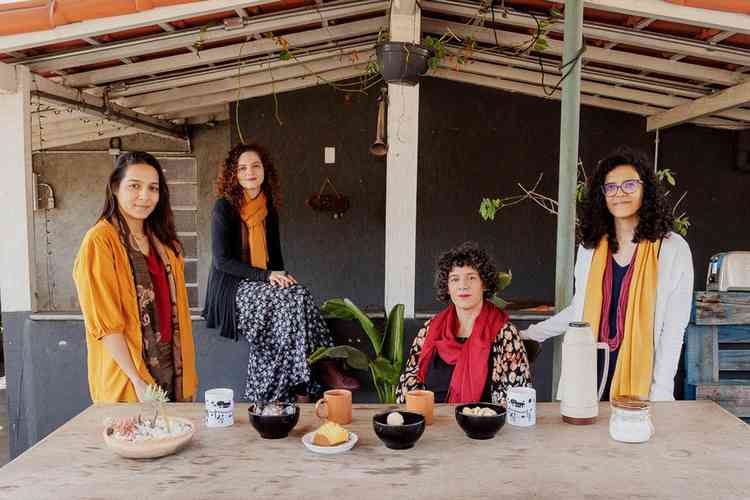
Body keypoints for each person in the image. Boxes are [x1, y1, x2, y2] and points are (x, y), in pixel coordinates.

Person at [522, 146, 693, 401]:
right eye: (610, 187)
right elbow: (579, 309)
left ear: (646, 189)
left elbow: (673, 329)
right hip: (589, 370)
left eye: (629, 185)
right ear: (602, 195)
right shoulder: (590, 247)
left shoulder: (672, 249)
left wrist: (661, 392)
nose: (619, 193)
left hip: (642, 378)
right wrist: (532, 333)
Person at [203, 143, 357, 403]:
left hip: (261, 283)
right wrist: (267, 277)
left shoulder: (268, 207)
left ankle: (318, 370)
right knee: (285, 306)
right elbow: (221, 261)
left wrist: (281, 277)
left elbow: (275, 257)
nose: (250, 172)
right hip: (231, 287)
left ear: (265, 171)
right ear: (233, 174)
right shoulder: (224, 207)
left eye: (255, 166)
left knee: (298, 294)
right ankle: (307, 380)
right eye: (242, 168)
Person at [73, 151, 198, 403]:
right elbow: (106, 325)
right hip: (128, 372)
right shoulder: (100, 241)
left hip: (172, 363)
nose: (145, 196)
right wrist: (138, 381)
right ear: (115, 188)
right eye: (134, 186)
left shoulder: (165, 243)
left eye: (153, 188)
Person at [396, 242, 531, 406]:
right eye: (455, 279)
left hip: (485, 425)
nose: (463, 285)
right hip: (432, 424)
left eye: (471, 277)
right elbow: (408, 387)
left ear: (484, 284)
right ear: (447, 287)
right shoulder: (430, 329)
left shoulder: (505, 333)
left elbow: (517, 397)